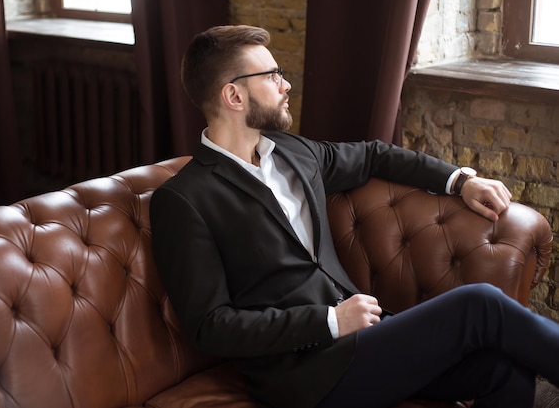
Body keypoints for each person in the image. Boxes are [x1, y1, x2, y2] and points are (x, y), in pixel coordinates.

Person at [149, 25, 559, 408]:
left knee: (504, 368)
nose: (285, 84)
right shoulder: (185, 199)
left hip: (364, 337)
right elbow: (212, 325)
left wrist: (459, 181)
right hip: (303, 372)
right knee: (480, 302)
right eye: (272, 76)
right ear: (234, 97)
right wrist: (329, 321)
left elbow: (372, 155)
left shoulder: (292, 153)